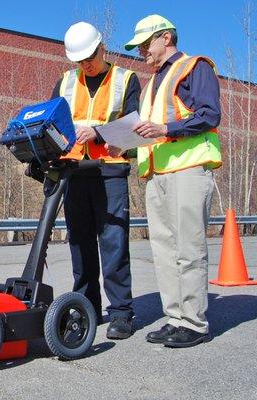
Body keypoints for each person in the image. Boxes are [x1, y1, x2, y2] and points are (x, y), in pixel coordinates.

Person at [121, 14, 222, 347]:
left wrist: (166, 129)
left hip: (188, 170)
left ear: (165, 37)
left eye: (144, 44)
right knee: (164, 252)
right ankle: (176, 317)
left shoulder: (195, 67)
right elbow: (149, 130)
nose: (141, 52)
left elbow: (209, 114)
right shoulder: (152, 83)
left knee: (188, 249)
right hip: (158, 176)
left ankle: (194, 323)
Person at [51, 22, 141, 339]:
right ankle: (87, 308)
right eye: (80, 60)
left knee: (113, 242)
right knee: (80, 243)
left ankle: (121, 314)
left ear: (102, 47)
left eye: (90, 56)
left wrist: (99, 133)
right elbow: (52, 123)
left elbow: (133, 125)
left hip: (109, 170)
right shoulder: (64, 83)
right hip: (75, 172)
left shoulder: (125, 79)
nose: (86, 64)